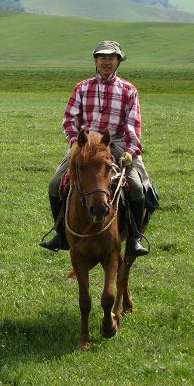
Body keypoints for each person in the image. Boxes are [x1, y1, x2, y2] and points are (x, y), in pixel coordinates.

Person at [41, 40, 151, 256]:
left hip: (116, 143)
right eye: (102, 57)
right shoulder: (82, 87)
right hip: (85, 144)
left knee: (137, 187)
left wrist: (130, 151)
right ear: (95, 60)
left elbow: (133, 125)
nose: (106, 61)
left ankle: (135, 238)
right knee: (55, 184)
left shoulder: (129, 90)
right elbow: (70, 120)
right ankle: (61, 234)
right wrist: (75, 143)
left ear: (119, 62)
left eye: (111, 57)